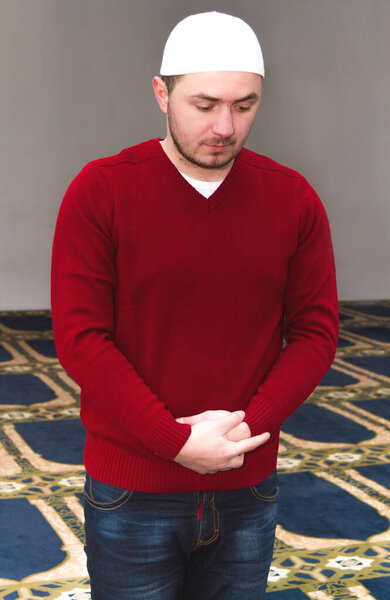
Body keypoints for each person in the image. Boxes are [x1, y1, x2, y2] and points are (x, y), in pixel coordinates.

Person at [51, 11, 339, 600]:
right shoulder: (100, 191)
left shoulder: (293, 199)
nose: (226, 126)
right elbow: (82, 339)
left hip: (248, 485)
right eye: (204, 104)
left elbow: (314, 334)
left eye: (245, 105)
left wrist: (241, 434)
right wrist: (175, 441)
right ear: (162, 93)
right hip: (132, 490)